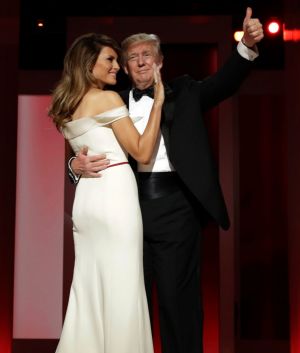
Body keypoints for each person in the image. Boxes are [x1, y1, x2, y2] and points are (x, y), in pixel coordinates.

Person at [68, 8, 264, 353]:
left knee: (178, 302)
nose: (140, 62)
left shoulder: (186, 92)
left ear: (160, 61)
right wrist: (74, 164)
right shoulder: (109, 100)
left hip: (176, 209)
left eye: (147, 55)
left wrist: (245, 46)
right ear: (125, 68)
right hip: (124, 207)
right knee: (127, 298)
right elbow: (84, 147)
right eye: (132, 57)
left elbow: (224, 83)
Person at [48, 32, 165, 353]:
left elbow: (82, 153)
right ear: (89, 64)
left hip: (87, 201)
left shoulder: (65, 104)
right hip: (115, 197)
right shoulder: (107, 99)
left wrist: (74, 164)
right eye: (110, 60)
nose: (117, 67)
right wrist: (158, 103)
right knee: (124, 286)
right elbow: (141, 152)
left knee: (87, 288)